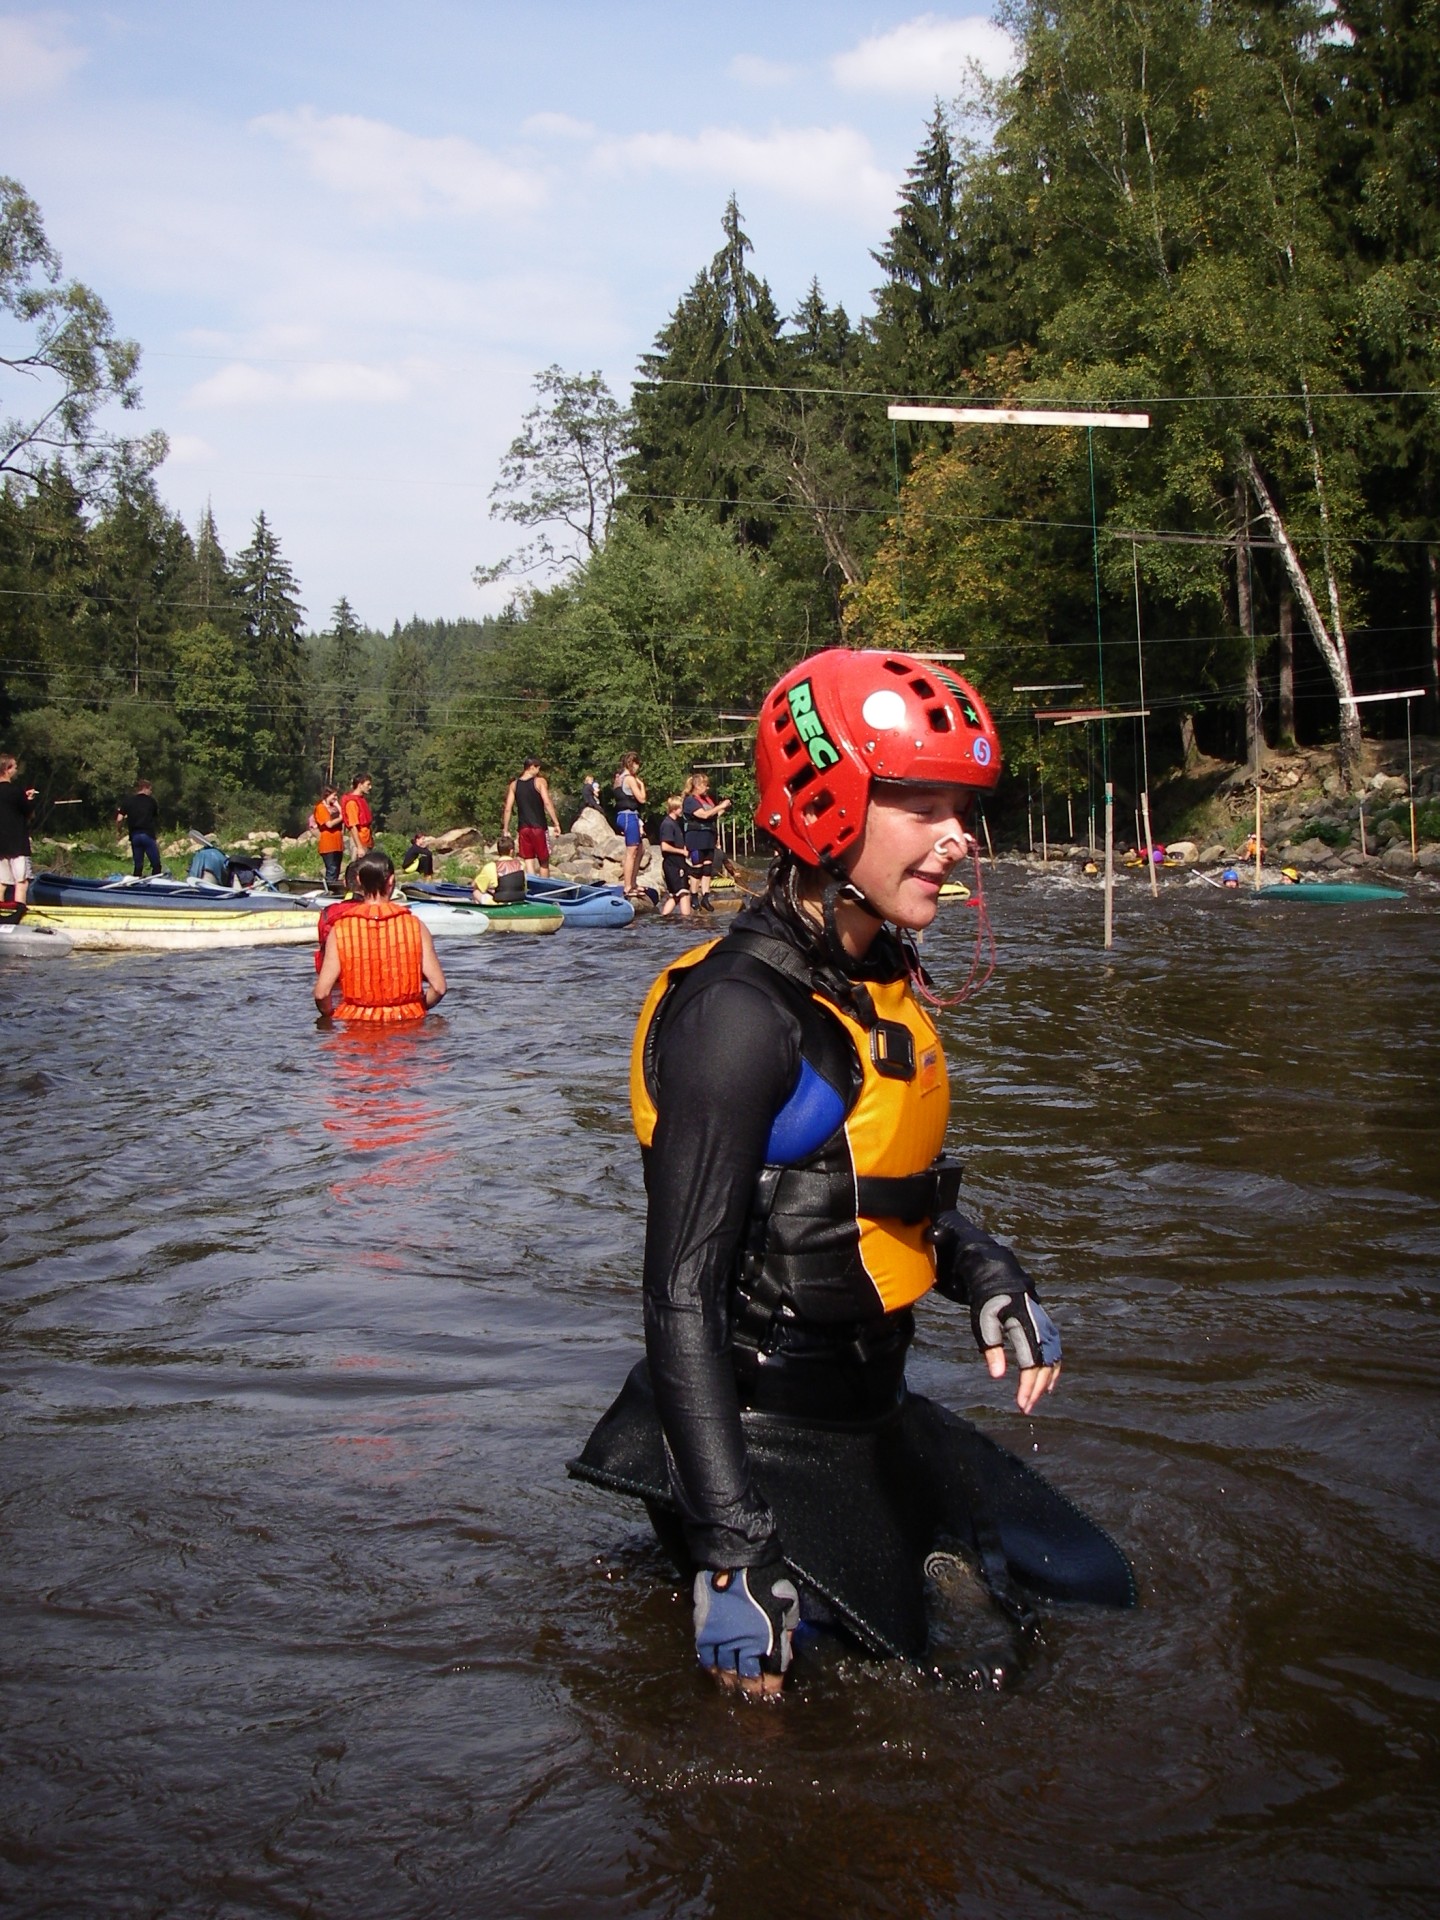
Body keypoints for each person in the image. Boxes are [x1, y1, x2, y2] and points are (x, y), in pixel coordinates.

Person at [572, 647, 1134, 1696]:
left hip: (868, 1411)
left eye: (963, 807)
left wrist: (989, 1273)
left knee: (1087, 1596)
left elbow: (856, 1193)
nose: (960, 837)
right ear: (826, 807)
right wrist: (732, 1549)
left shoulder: (867, 976)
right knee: (872, 1709)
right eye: (923, 805)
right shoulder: (739, 1016)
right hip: (752, 1439)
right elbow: (680, 1292)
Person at [314, 849, 445, 1023]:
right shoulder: (416, 926)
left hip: (358, 1025)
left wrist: (330, 1016)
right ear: (391, 881)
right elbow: (438, 987)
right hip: (407, 1024)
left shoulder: (340, 930)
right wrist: (418, 1007)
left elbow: (322, 993)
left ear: (358, 880)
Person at [502, 757, 562, 876]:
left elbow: (508, 808)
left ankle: (532, 883)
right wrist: (556, 823)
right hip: (539, 826)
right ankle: (544, 885)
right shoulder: (539, 782)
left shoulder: (514, 785)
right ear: (532, 767)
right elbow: (547, 802)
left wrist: (506, 829)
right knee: (543, 860)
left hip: (523, 828)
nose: (539, 771)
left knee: (528, 859)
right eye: (538, 768)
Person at [682, 771, 732, 913]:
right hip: (696, 838)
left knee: (707, 868)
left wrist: (724, 807)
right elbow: (703, 815)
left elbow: (713, 814)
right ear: (697, 786)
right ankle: (694, 897)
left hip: (709, 837)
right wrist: (720, 806)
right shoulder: (690, 801)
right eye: (705, 785)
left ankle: (705, 896)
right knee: (697, 868)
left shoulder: (707, 800)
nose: (707, 788)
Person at [0, 753, 37, 914]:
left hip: (1, 845)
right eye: (14, 767)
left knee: (2, 882)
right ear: (7, 770)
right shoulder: (15, 791)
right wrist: (29, 799)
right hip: (17, 843)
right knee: (21, 881)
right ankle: (19, 912)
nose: (16, 770)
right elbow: (29, 813)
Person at [116, 779, 166, 877]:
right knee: (156, 864)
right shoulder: (151, 801)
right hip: (147, 835)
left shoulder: (128, 801)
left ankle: (136, 882)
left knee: (138, 865)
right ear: (145, 788)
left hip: (135, 836)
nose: (151, 792)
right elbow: (155, 818)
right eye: (150, 789)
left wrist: (119, 830)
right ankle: (156, 881)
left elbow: (119, 819)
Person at [613, 753, 647, 896]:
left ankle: (633, 882)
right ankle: (628, 886)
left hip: (622, 816)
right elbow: (642, 799)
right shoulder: (630, 779)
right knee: (631, 852)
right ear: (632, 763)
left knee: (640, 850)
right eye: (637, 764)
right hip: (629, 816)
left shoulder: (618, 778)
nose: (638, 768)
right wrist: (642, 785)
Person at [657, 796, 692, 920]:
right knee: (684, 893)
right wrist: (682, 851)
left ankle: (664, 918)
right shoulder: (668, 824)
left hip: (677, 863)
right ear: (674, 808)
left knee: (675, 895)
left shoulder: (676, 823)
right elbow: (665, 846)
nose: (682, 810)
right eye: (681, 807)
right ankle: (687, 921)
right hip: (673, 864)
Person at [471, 835, 526, 904]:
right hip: (519, 900)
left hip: (499, 902)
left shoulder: (491, 867)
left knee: (476, 891)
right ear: (511, 851)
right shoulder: (521, 865)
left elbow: (475, 886)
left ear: (498, 851)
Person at [313, 784, 346, 890]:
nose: (336, 798)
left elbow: (345, 815)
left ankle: (334, 890)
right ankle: (329, 891)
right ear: (327, 794)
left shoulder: (334, 807)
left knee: (336, 870)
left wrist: (338, 806)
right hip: (328, 844)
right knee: (331, 870)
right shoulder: (320, 807)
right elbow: (329, 824)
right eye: (334, 795)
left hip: (338, 844)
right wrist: (341, 818)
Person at [342, 776, 376, 860]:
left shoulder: (361, 799)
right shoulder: (352, 803)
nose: (370, 787)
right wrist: (359, 847)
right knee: (358, 866)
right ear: (360, 785)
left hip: (367, 841)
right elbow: (353, 826)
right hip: (359, 842)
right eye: (368, 784)